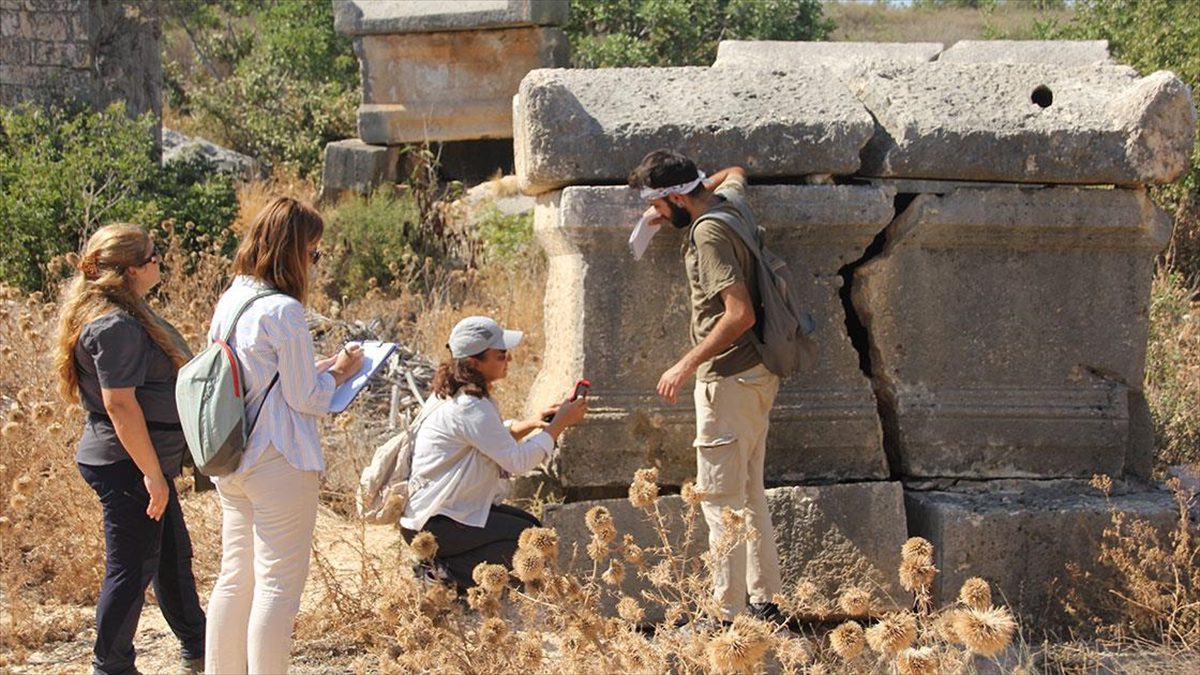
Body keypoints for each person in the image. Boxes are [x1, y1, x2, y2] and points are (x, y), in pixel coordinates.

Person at [203, 197, 363, 674]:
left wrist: (320, 369)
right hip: (280, 458)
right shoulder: (284, 311)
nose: (314, 262)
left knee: (236, 579)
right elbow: (306, 399)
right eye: (313, 252)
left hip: (233, 456)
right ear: (293, 251)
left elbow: (260, 376)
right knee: (277, 586)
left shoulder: (232, 298)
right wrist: (340, 373)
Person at [628, 150, 786, 626]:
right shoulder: (729, 204)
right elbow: (736, 172)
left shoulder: (708, 232)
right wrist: (674, 200)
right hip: (760, 373)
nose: (657, 215)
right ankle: (764, 602)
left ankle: (722, 616)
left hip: (728, 380)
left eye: (660, 205)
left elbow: (739, 313)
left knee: (720, 501)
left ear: (676, 197)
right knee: (749, 491)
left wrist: (684, 365)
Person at [53, 223, 207, 675]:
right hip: (129, 464)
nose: (160, 261)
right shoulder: (114, 324)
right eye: (154, 255)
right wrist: (152, 475)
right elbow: (119, 404)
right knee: (131, 569)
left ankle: (198, 646)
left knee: (171, 556)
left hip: (139, 460)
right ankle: (111, 665)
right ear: (131, 269)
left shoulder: (123, 311)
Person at [400, 316, 588, 590]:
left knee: (530, 527)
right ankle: (441, 576)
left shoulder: (457, 394)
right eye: (500, 356)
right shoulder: (470, 406)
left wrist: (535, 422)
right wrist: (559, 425)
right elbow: (518, 461)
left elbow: (487, 437)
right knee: (528, 544)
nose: (508, 360)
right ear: (475, 363)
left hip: (440, 516)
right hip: (435, 526)